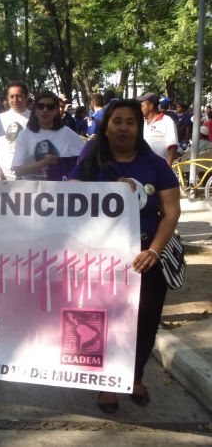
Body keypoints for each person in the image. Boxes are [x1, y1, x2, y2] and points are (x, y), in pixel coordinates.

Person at [69, 99, 180, 414]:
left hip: (145, 259)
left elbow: (171, 213)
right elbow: (71, 190)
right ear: (106, 126)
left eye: (130, 122)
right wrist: (108, 190)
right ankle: (107, 384)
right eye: (117, 121)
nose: (123, 127)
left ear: (139, 127)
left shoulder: (155, 164)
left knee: (145, 322)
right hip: (99, 259)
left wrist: (154, 251)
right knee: (102, 322)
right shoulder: (92, 158)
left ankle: (134, 377)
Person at [12, 90, 83, 181]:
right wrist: (43, 163)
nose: (45, 110)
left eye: (50, 107)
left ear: (57, 110)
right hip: (32, 193)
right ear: (35, 110)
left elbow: (82, 164)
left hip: (61, 192)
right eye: (41, 106)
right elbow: (18, 170)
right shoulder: (24, 135)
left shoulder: (69, 134)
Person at [0, 81, 32, 180]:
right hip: (5, 174)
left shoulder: (35, 117)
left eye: (19, 96)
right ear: (8, 98)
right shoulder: (0, 118)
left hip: (30, 174)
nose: (15, 100)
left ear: (26, 97)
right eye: (12, 96)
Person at [137, 92, 178, 166]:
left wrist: (167, 168)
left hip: (159, 167)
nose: (140, 109)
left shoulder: (166, 121)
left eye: (142, 106)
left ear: (150, 106)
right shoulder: (142, 122)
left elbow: (172, 146)